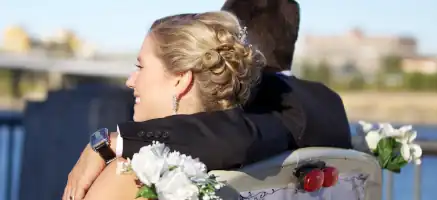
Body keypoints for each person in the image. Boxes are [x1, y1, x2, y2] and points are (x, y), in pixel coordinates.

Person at [65, 0, 354, 199]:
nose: (130, 80)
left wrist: (112, 142)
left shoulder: (266, 105)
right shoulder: (326, 103)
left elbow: (236, 136)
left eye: (140, 66)